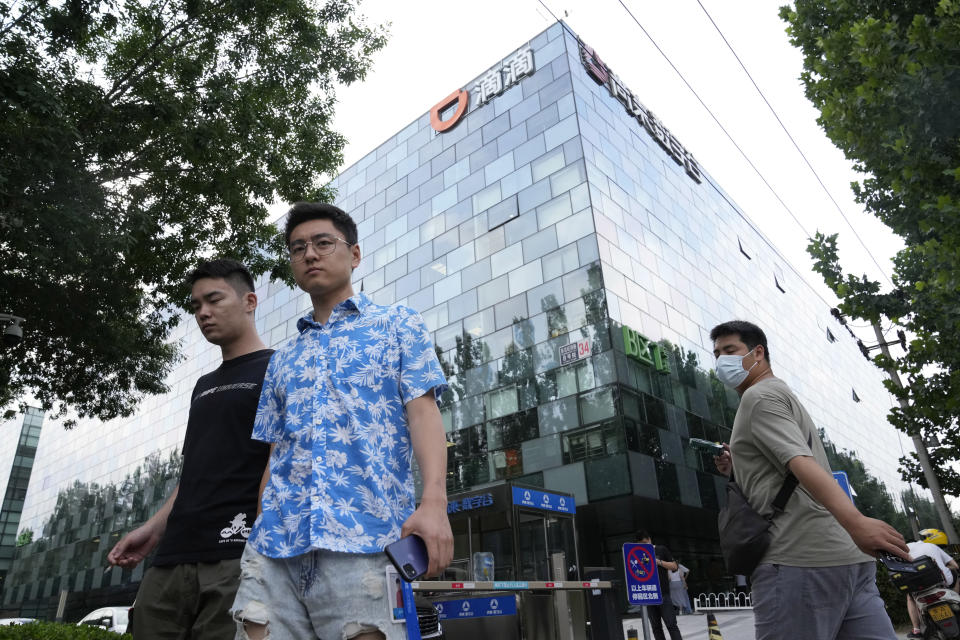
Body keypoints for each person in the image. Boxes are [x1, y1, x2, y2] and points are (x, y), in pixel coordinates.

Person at [231, 202, 453, 640]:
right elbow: (276, 452)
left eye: (322, 243)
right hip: (274, 550)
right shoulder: (282, 359)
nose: (309, 253)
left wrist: (434, 504)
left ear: (354, 255)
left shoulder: (398, 324)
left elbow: (424, 413)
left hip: (366, 542)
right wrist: (258, 526)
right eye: (298, 248)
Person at [710, 320, 909, 640]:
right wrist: (737, 468)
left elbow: (800, 463)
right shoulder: (780, 393)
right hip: (848, 560)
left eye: (730, 350)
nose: (721, 360)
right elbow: (785, 470)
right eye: (717, 353)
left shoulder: (757, 397)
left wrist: (857, 522)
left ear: (757, 353)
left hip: (798, 559)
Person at [107, 259, 273, 639]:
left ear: (250, 301)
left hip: (237, 555)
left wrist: (265, 549)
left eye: (213, 300)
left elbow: (281, 463)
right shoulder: (202, 385)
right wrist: (152, 530)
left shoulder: (280, 369)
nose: (203, 313)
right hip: (171, 559)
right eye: (196, 305)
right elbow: (193, 473)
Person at [905, 528, 959, 639]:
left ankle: (916, 630)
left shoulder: (904, 549)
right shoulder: (931, 546)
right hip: (941, 583)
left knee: (909, 597)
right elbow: (955, 566)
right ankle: (955, 598)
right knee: (957, 574)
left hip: (918, 588)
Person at [637, 531, 683, 640]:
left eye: (644, 543)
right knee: (656, 628)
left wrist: (658, 561)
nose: (643, 546)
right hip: (648, 595)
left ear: (649, 539)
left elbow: (674, 566)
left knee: (671, 624)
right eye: (640, 544)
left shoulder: (661, 549)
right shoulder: (638, 553)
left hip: (663, 594)